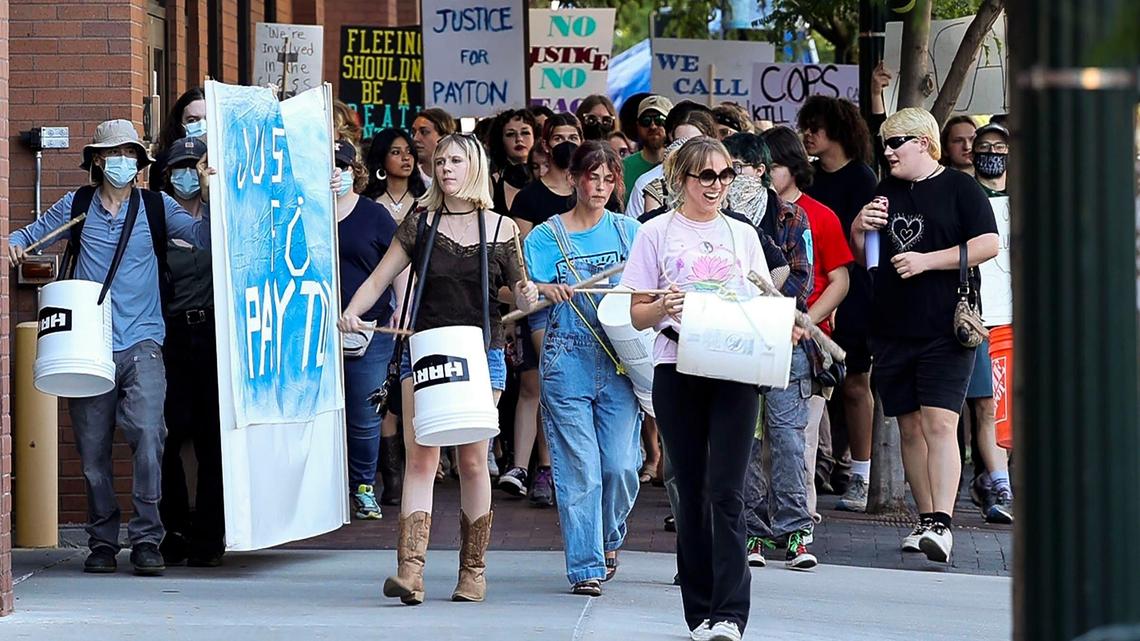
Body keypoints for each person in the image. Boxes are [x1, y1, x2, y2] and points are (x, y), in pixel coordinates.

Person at [339, 133, 538, 605]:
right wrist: (352, 311)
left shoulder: (501, 229)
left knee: (472, 460)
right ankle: (410, 571)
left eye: (455, 160)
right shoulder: (420, 221)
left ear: (474, 166)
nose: (445, 167)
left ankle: (473, 570)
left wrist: (529, 296)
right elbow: (380, 277)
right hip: (423, 349)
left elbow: (518, 291)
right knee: (423, 457)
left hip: (481, 353)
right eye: (441, 160)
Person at [8, 120, 212, 576]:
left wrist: (213, 190)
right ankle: (102, 541)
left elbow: (202, 237)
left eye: (131, 154)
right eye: (115, 153)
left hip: (143, 340)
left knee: (148, 433)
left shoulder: (156, 206)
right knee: (94, 450)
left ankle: (146, 538)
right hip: (87, 341)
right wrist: (14, 245)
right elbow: (30, 233)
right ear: (98, 160)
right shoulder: (76, 204)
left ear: (140, 162)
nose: (124, 162)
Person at [623, 137, 795, 641]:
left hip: (735, 366)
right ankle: (699, 610)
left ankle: (731, 613)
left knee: (728, 490)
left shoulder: (742, 235)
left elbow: (764, 295)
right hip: (677, 364)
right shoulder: (655, 233)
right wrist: (664, 307)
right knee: (691, 491)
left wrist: (783, 322)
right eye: (707, 176)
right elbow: (637, 313)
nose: (718, 185)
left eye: (725, 175)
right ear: (682, 179)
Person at [851, 108, 999, 562]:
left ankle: (942, 521)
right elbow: (867, 259)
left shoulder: (960, 186)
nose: (888, 151)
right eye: (885, 143)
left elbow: (988, 244)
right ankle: (925, 517)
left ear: (924, 143)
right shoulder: (885, 191)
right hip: (893, 326)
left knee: (941, 422)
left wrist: (925, 260)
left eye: (897, 142)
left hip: (944, 325)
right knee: (909, 426)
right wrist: (860, 227)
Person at [523, 140, 642, 596]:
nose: (600, 185)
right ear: (573, 179)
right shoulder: (544, 237)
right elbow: (525, 303)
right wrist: (538, 292)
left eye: (609, 178)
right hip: (565, 359)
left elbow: (648, 295)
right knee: (580, 470)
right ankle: (586, 565)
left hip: (620, 361)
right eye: (592, 176)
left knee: (620, 467)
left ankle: (607, 538)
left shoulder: (631, 233)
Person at [762, 126, 853, 522]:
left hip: (808, 342)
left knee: (802, 437)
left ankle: (803, 521)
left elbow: (840, 280)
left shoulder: (821, 215)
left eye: (773, 166)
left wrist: (804, 321)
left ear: (794, 168)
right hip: (755, 339)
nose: (764, 175)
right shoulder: (746, 216)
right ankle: (763, 523)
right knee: (758, 441)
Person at [736, 127, 816, 571]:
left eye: (738, 169)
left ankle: (797, 532)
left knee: (787, 439)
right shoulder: (719, 220)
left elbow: (802, 280)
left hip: (785, 339)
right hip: (734, 343)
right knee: (743, 438)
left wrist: (770, 301)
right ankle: (751, 533)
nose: (726, 179)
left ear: (760, 171)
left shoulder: (791, 217)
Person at [499, 112, 583, 507]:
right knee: (535, 383)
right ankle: (522, 465)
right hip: (541, 301)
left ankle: (554, 468)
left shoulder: (592, 194)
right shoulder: (531, 197)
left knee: (564, 387)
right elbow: (522, 257)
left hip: (583, 305)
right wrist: (537, 289)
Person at [797, 95, 877, 510]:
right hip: (811, 290)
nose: (808, 134)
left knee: (855, 383)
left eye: (816, 127)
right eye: (805, 127)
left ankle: (861, 472)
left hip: (854, 287)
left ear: (838, 131)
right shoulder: (807, 179)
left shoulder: (863, 178)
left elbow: (867, 250)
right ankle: (816, 467)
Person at [154, 135, 225, 568]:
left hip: (216, 334)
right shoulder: (160, 216)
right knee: (167, 435)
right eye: (179, 168)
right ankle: (174, 528)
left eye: (194, 167)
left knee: (212, 439)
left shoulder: (222, 212)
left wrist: (214, 193)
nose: (187, 175)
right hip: (170, 334)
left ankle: (210, 533)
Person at [362, 128, 429, 505]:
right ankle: (393, 475)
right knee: (384, 388)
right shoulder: (371, 205)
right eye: (396, 152)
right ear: (381, 161)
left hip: (426, 301)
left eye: (409, 152)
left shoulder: (427, 201)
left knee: (417, 387)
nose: (405, 158)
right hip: (383, 304)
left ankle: (421, 463)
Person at [334, 138, 400, 520]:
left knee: (364, 413)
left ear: (354, 172)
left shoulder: (374, 216)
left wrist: (402, 307)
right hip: (315, 326)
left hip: (371, 327)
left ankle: (362, 486)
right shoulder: (308, 211)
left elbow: (398, 264)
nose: (335, 174)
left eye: (341, 167)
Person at [964, 121, 1014, 524]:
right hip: (978, 317)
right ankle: (998, 483)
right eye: (985, 146)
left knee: (1008, 406)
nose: (992, 152)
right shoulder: (965, 196)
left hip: (1014, 319)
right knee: (985, 403)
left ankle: (998, 480)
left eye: (1000, 146)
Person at [631, 108, 718, 219]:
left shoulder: (722, 181)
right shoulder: (648, 183)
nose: (686, 149)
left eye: (695, 143)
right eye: (679, 142)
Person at [150, 87, 206, 191]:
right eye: (192, 120)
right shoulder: (163, 162)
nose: (202, 125)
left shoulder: (228, 160)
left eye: (208, 119)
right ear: (179, 123)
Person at [622, 95, 673, 204]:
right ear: (637, 125)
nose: (653, 126)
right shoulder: (623, 167)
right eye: (646, 120)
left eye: (660, 120)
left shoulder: (681, 166)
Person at [488, 109, 539, 215]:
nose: (519, 139)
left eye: (525, 133)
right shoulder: (491, 183)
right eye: (510, 134)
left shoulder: (548, 177)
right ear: (500, 140)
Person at [411, 108, 458, 186]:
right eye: (413, 133)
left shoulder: (461, 178)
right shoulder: (407, 179)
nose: (415, 138)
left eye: (424, 132)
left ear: (444, 137)